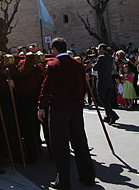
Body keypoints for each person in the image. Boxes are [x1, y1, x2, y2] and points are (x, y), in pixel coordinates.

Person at [38, 38, 96, 189]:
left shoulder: (53, 65)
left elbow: (46, 87)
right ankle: (88, 176)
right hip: (76, 108)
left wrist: (41, 106)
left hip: (59, 109)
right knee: (80, 142)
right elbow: (83, 86)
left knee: (60, 146)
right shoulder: (77, 64)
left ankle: (63, 181)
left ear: (54, 49)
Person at [93, 44, 119, 125]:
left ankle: (112, 114)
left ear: (102, 49)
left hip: (102, 81)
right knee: (107, 99)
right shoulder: (110, 58)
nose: (98, 51)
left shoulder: (101, 57)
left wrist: (93, 62)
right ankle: (108, 116)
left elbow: (95, 67)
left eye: (98, 49)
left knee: (102, 98)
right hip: (109, 81)